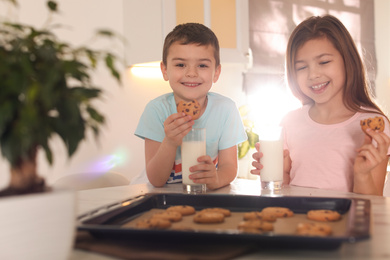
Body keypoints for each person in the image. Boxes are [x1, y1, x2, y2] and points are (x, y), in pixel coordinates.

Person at [251, 15, 390, 196]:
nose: (313, 75)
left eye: (324, 62)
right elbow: (283, 193)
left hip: (344, 223)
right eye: (301, 67)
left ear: (348, 61)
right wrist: (272, 174)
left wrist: (362, 175)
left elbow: (372, 205)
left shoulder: (373, 125)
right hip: (298, 222)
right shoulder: (289, 122)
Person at [135, 23, 247, 190]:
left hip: (202, 195)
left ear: (216, 72)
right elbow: (156, 180)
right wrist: (171, 141)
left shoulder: (226, 110)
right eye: (181, 65)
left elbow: (229, 168)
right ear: (165, 70)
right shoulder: (156, 110)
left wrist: (216, 179)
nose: (191, 73)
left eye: (202, 65)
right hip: (158, 196)